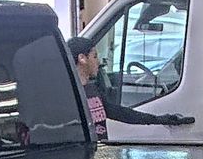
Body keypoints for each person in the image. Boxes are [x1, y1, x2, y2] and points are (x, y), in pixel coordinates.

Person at [67, 36, 195, 140]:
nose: (99, 62)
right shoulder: (69, 95)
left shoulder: (92, 89)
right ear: (82, 58)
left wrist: (158, 119)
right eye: (94, 56)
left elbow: (121, 113)